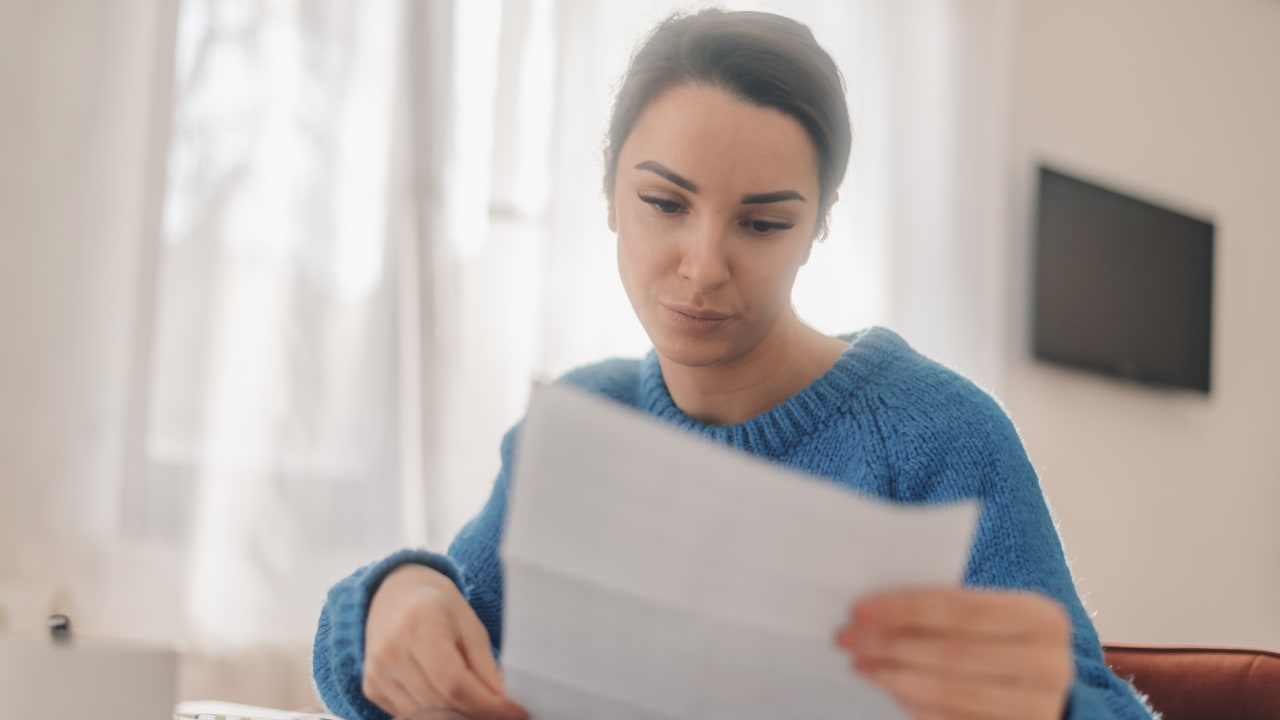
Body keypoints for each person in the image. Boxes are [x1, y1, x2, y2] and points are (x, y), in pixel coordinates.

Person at [312, 9, 1155, 720]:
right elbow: (405, 649)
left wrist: (1051, 705)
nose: (704, 265)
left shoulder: (941, 437)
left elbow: (1092, 704)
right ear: (610, 193)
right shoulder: (581, 422)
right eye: (663, 204)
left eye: (762, 224)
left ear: (820, 223)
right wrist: (395, 597)